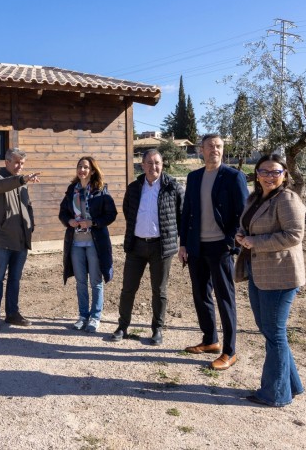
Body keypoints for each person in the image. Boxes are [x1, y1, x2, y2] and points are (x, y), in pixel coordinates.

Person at [234, 154, 306, 407]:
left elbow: (294, 235)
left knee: (274, 333)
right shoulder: (255, 198)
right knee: (269, 330)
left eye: (275, 172)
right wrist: (241, 235)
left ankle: (275, 393)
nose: (268, 176)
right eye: (263, 171)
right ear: (257, 174)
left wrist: (256, 242)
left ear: (284, 174)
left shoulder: (287, 199)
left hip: (281, 274)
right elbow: (248, 226)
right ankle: (292, 385)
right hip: (258, 272)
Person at [179, 134, 248, 370]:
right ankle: (210, 340)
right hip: (197, 246)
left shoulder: (233, 176)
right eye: (210, 146)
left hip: (221, 248)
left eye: (218, 146)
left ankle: (230, 351)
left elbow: (243, 214)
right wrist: (184, 243)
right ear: (201, 150)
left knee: (225, 298)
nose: (214, 150)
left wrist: (231, 243)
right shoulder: (194, 177)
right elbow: (187, 211)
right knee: (201, 295)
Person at [110, 149, 183, 345]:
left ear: (163, 164)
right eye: (149, 163)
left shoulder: (172, 187)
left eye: (157, 162)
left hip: (161, 247)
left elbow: (181, 215)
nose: (154, 167)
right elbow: (128, 211)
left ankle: (157, 329)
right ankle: (123, 326)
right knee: (128, 289)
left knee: (159, 291)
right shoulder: (134, 188)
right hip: (137, 246)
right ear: (142, 165)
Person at [59, 156, 118, 333]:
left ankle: (95, 317)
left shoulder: (101, 190)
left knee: (95, 281)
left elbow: (111, 214)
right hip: (75, 243)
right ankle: (83, 315)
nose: (82, 170)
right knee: (80, 282)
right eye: (79, 167)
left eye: (86, 167)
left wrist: (93, 223)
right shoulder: (72, 190)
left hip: (94, 243)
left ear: (92, 171)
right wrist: (68, 220)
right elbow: (62, 213)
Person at [0, 148, 40, 331]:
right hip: (1, 240)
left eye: (22, 163)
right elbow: (3, 186)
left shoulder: (22, 183)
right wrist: (22, 179)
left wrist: (30, 225)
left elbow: (27, 207)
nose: (20, 166)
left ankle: (12, 314)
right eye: (16, 162)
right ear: (6, 162)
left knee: (15, 279)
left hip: (20, 240)